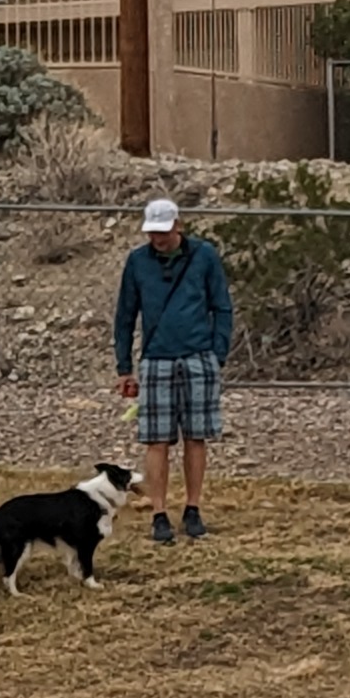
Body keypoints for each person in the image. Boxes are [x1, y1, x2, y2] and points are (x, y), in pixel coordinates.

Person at [113, 192, 234, 543]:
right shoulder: (137, 262)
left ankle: (193, 509)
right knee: (157, 439)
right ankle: (159, 512)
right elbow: (125, 315)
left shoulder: (204, 256)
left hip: (198, 356)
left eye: (163, 231)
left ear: (178, 226)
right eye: (152, 232)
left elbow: (222, 306)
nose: (158, 239)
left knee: (196, 436)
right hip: (156, 359)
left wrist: (217, 353)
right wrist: (124, 366)